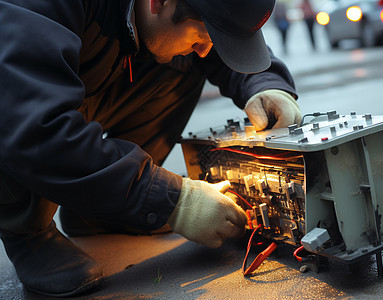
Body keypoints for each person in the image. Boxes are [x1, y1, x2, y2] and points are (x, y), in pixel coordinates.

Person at [0, 0, 302, 297]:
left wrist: (264, 84)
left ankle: (102, 213)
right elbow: (36, 125)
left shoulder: (157, 15)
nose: (205, 48)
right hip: (16, 107)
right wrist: (170, 198)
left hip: (69, 85)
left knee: (175, 56)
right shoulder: (38, 8)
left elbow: (213, 29)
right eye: (202, 36)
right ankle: (28, 232)